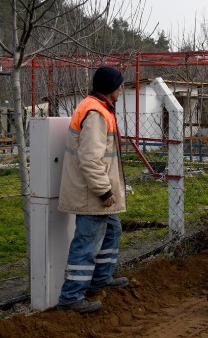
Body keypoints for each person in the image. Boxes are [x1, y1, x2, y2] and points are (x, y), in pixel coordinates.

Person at [57, 66, 129, 314]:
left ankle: (101, 279)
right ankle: (71, 298)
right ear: (111, 88)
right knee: (87, 243)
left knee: (112, 230)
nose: (121, 89)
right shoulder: (96, 113)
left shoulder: (97, 108)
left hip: (95, 191)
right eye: (120, 85)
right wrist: (104, 191)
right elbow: (89, 158)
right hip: (93, 194)